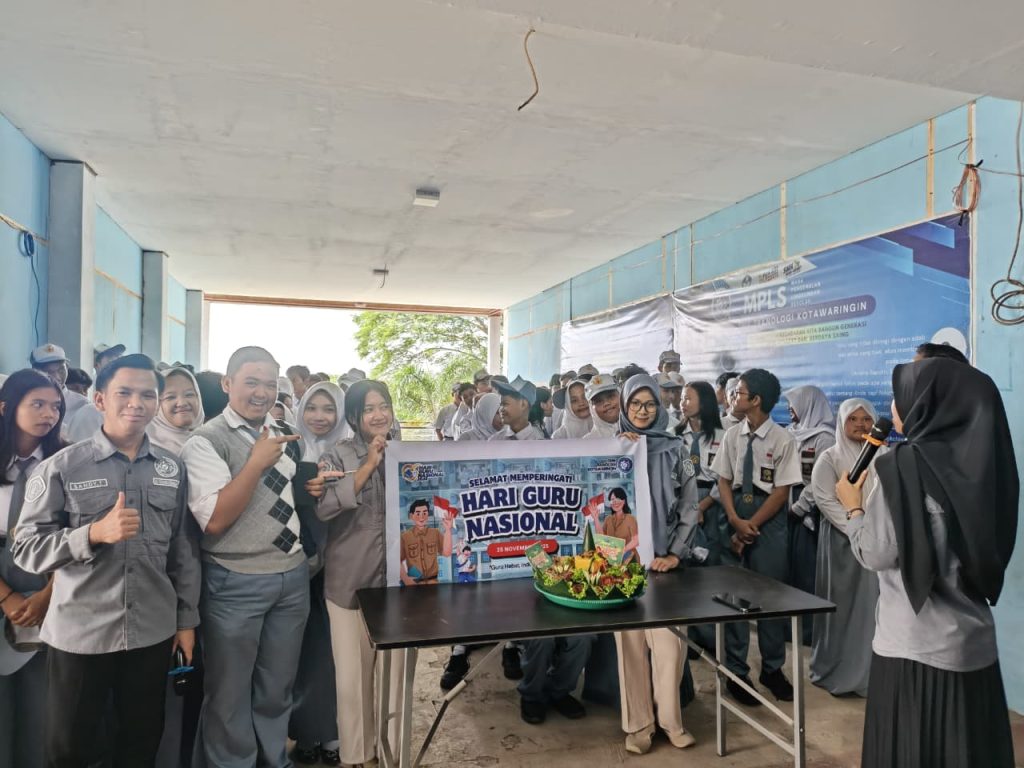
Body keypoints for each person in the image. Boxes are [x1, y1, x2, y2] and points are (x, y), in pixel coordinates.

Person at [13, 354, 201, 767]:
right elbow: (26, 547)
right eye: (124, 392)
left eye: (147, 394)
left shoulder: (171, 469)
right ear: (99, 400)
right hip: (82, 633)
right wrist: (92, 534)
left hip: (151, 631)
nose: (137, 403)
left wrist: (186, 621)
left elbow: (183, 550)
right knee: (71, 749)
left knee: (140, 742)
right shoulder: (62, 467)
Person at [836, 359, 1017, 768]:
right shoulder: (986, 464)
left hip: (914, 648)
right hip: (975, 643)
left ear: (925, 405)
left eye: (900, 396)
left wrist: (853, 508)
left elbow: (877, 552)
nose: (892, 407)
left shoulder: (903, 466)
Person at [181, 346, 323, 768]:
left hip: (291, 576)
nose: (261, 392)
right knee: (229, 691)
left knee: (277, 686)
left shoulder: (284, 433)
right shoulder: (205, 441)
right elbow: (215, 520)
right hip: (234, 579)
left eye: (269, 384)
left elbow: (286, 499)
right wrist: (256, 463)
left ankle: (272, 758)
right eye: (251, 382)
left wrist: (310, 489)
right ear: (228, 384)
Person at [316, 380, 404, 767]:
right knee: (352, 682)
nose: (379, 415)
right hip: (349, 585)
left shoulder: (406, 454)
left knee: (395, 680)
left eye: (384, 406)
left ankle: (393, 754)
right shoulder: (335, 456)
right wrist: (368, 464)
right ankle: (358, 756)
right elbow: (325, 509)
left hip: (399, 587)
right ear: (353, 417)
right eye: (369, 409)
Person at [614, 373, 698, 754]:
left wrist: (676, 553)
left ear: (660, 406)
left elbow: (690, 505)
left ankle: (671, 722)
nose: (642, 411)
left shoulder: (677, 449)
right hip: (624, 566)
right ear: (625, 406)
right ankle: (639, 726)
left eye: (649, 404)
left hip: (665, 565)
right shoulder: (613, 446)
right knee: (631, 648)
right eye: (635, 404)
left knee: (670, 647)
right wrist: (619, 451)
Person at [710, 368, 801, 706]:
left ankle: (772, 669)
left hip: (768, 520)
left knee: (769, 597)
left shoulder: (782, 439)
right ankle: (736, 671)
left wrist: (751, 525)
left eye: (739, 392)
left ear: (757, 400)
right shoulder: (732, 435)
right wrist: (735, 520)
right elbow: (723, 480)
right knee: (734, 597)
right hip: (734, 511)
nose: (733, 396)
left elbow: (781, 492)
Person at [0, 370, 65, 768]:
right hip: (3, 582)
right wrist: (7, 597)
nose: (48, 415)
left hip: (51, 586)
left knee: (43, 702)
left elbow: (76, 535)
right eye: (37, 404)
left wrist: (48, 594)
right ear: (6, 408)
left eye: (55, 406)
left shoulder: (67, 461)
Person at [290, 381, 348, 766]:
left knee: (336, 654)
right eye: (312, 408)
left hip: (342, 564)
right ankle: (307, 732)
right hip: (301, 564)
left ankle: (336, 735)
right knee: (304, 654)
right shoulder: (289, 450)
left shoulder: (349, 450)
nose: (320, 417)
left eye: (329, 409)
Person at [808, 398, 881, 697]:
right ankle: (836, 669)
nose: (861, 425)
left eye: (866, 419)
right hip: (841, 542)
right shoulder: (830, 458)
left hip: (876, 540)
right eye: (853, 419)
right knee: (840, 606)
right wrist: (855, 526)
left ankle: (869, 674)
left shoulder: (884, 454)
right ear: (842, 422)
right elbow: (825, 499)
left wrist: (872, 530)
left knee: (870, 607)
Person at [677, 381, 735, 655]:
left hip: (714, 502)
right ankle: (691, 636)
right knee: (688, 571)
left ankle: (713, 637)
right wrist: (690, 507)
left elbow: (725, 476)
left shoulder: (723, 435)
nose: (683, 404)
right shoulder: (677, 436)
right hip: (685, 502)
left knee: (712, 569)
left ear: (705, 401)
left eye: (688, 398)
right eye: (682, 399)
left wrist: (704, 505)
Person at [784, 385, 836, 645]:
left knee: (808, 573)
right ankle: (789, 628)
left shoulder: (824, 438)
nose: (789, 409)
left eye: (793, 404)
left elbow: (820, 480)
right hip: (787, 504)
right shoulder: (790, 433)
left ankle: (809, 632)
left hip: (810, 512)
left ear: (808, 405)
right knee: (790, 572)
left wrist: (800, 507)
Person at [148, 366, 205, 455]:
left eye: (189, 395)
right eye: (170, 397)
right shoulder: (146, 450)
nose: (182, 403)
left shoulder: (211, 442)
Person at [29, 343, 90, 423]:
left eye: (61, 370)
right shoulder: (26, 400)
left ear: (67, 367)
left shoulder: (82, 404)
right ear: (34, 371)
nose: (56, 377)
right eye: (48, 372)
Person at [399, 499, 453, 584]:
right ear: (411, 516)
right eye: (418, 513)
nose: (421, 517)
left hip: (433, 583)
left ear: (428, 514)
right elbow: (398, 560)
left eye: (424, 513)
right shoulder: (405, 537)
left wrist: (448, 530)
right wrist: (406, 579)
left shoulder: (435, 533)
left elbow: (447, 553)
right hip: (414, 584)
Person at [584, 487, 638, 563]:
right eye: (612, 499)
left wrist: (622, 551)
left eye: (618, 499)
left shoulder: (630, 519)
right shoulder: (608, 519)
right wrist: (595, 518)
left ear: (624, 501)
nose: (615, 502)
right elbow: (602, 538)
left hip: (630, 559)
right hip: (613, 560)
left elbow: (636, 541)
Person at [489, 377, 546, 442]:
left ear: (523, 404)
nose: (501, 409)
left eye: (505, 404)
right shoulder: (495, 440)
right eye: (500, 405)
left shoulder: (538, 441)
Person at [583, 374, 620, 439]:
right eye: (598, 401)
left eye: (610, 396)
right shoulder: (587, 441)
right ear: (591, 409)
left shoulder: (637, 428)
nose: (606, 403)